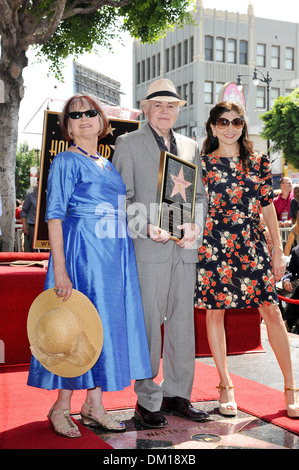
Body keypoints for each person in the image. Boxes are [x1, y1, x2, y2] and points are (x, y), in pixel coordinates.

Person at [27, 94, 152, 438]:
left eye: (90, 113)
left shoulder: (106, 163)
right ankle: (60, 407)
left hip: (113, 259)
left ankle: (94, 406)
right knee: (77, 327)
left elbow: (120, 213)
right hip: (83, 255)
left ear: (101, 120)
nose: (84, 118)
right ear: (67, 126)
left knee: (101, 330)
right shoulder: (66, 161)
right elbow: (54, 216)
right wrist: (61, 269)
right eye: (75, 115)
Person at [113, 78, 208, 428]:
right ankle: (147, 401)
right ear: (145, 108)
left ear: (179, 109)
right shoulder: (128, 143)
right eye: (158, 105)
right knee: (150, 327)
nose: (165, 110)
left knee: (183, 327)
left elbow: (201, 197)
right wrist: (144, 226)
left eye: (171, 105)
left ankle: (178, 395)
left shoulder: (189, 146)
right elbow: (119, 198)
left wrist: (195, 226)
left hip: (184, 252)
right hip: (148, 250)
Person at [195, 101, 299, 419]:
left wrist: (277, 250)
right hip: (213, 247)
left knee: (271, 311)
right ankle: (225, 386)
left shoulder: (258, 161)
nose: (230, 127)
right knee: (215, 314)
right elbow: (188, 207)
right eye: (223, 122)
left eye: (237, 122)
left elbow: (267, 206)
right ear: (212, 127)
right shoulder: (201, 165)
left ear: (243, 126)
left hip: (251, 246)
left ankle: (291, 388)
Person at [278, 245, 299, 333]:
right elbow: (290, 270)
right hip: (296, 281)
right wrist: (286, 280)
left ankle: (288, 323)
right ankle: (281, 320)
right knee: (275, 290)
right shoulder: (296, 250)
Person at [21, 183, 38, 251]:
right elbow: (23, 211)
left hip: (47, 226)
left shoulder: (51, 196)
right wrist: (24, 227)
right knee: (32, 248)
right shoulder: (30, 196)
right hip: (33, 226)